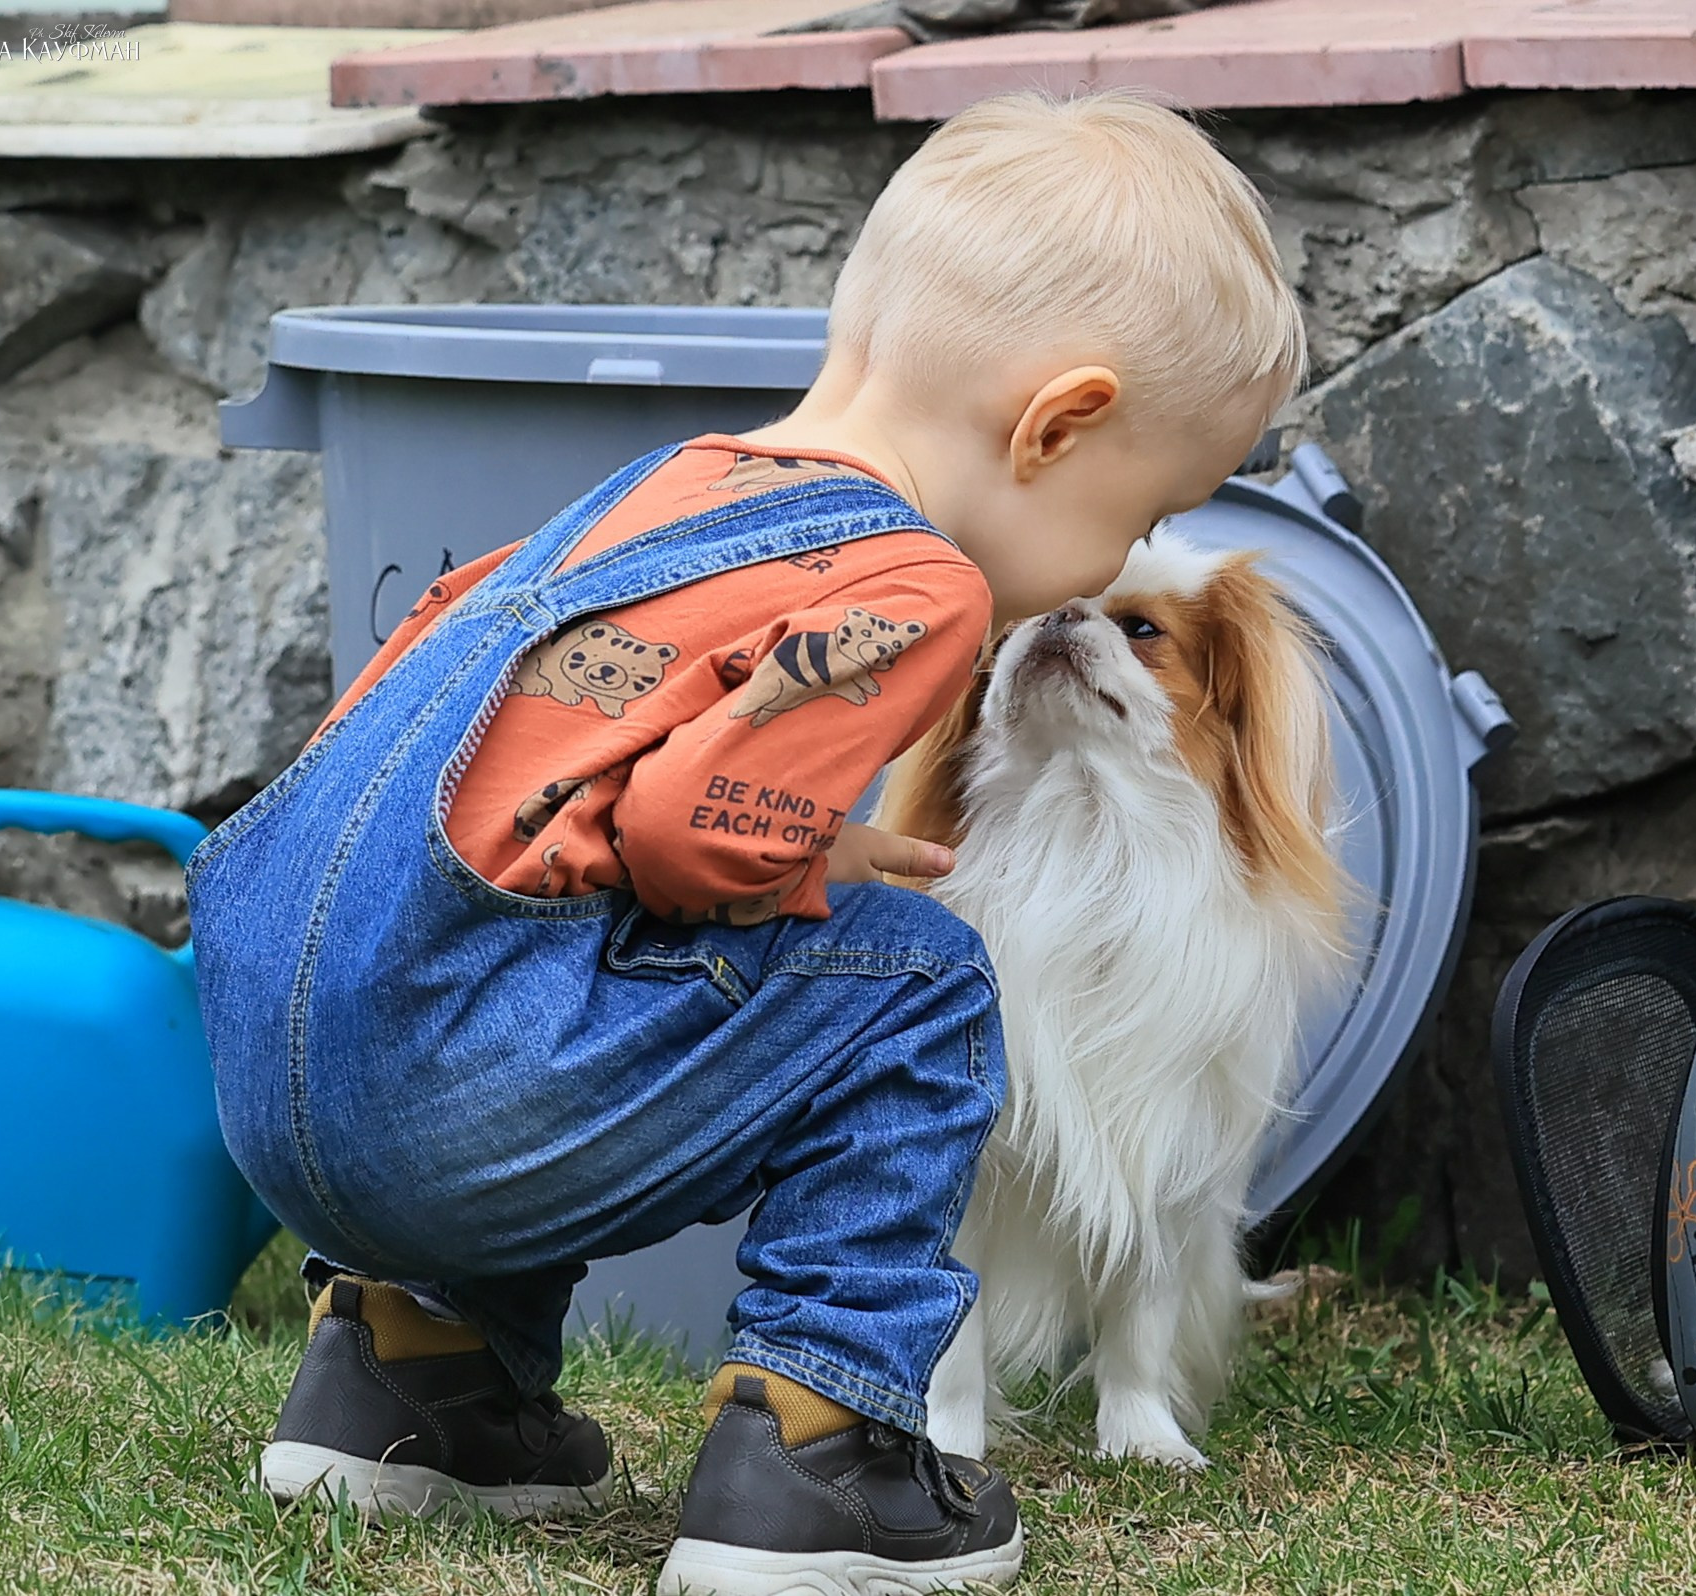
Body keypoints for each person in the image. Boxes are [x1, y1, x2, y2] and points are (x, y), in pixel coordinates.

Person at [187, 86, 1307, 1596]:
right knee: (918, 976)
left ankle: (408, 1379)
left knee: (542, 943)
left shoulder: (652, 499)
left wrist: (791, 841)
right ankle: (815, 1443)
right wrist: (783, 860)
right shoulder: (910, 580)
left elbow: (502, 765)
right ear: (1059, 425)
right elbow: (676, 833)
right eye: (1143, 508)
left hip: (279, 1063)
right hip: (454, 1102)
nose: (1108, 566)